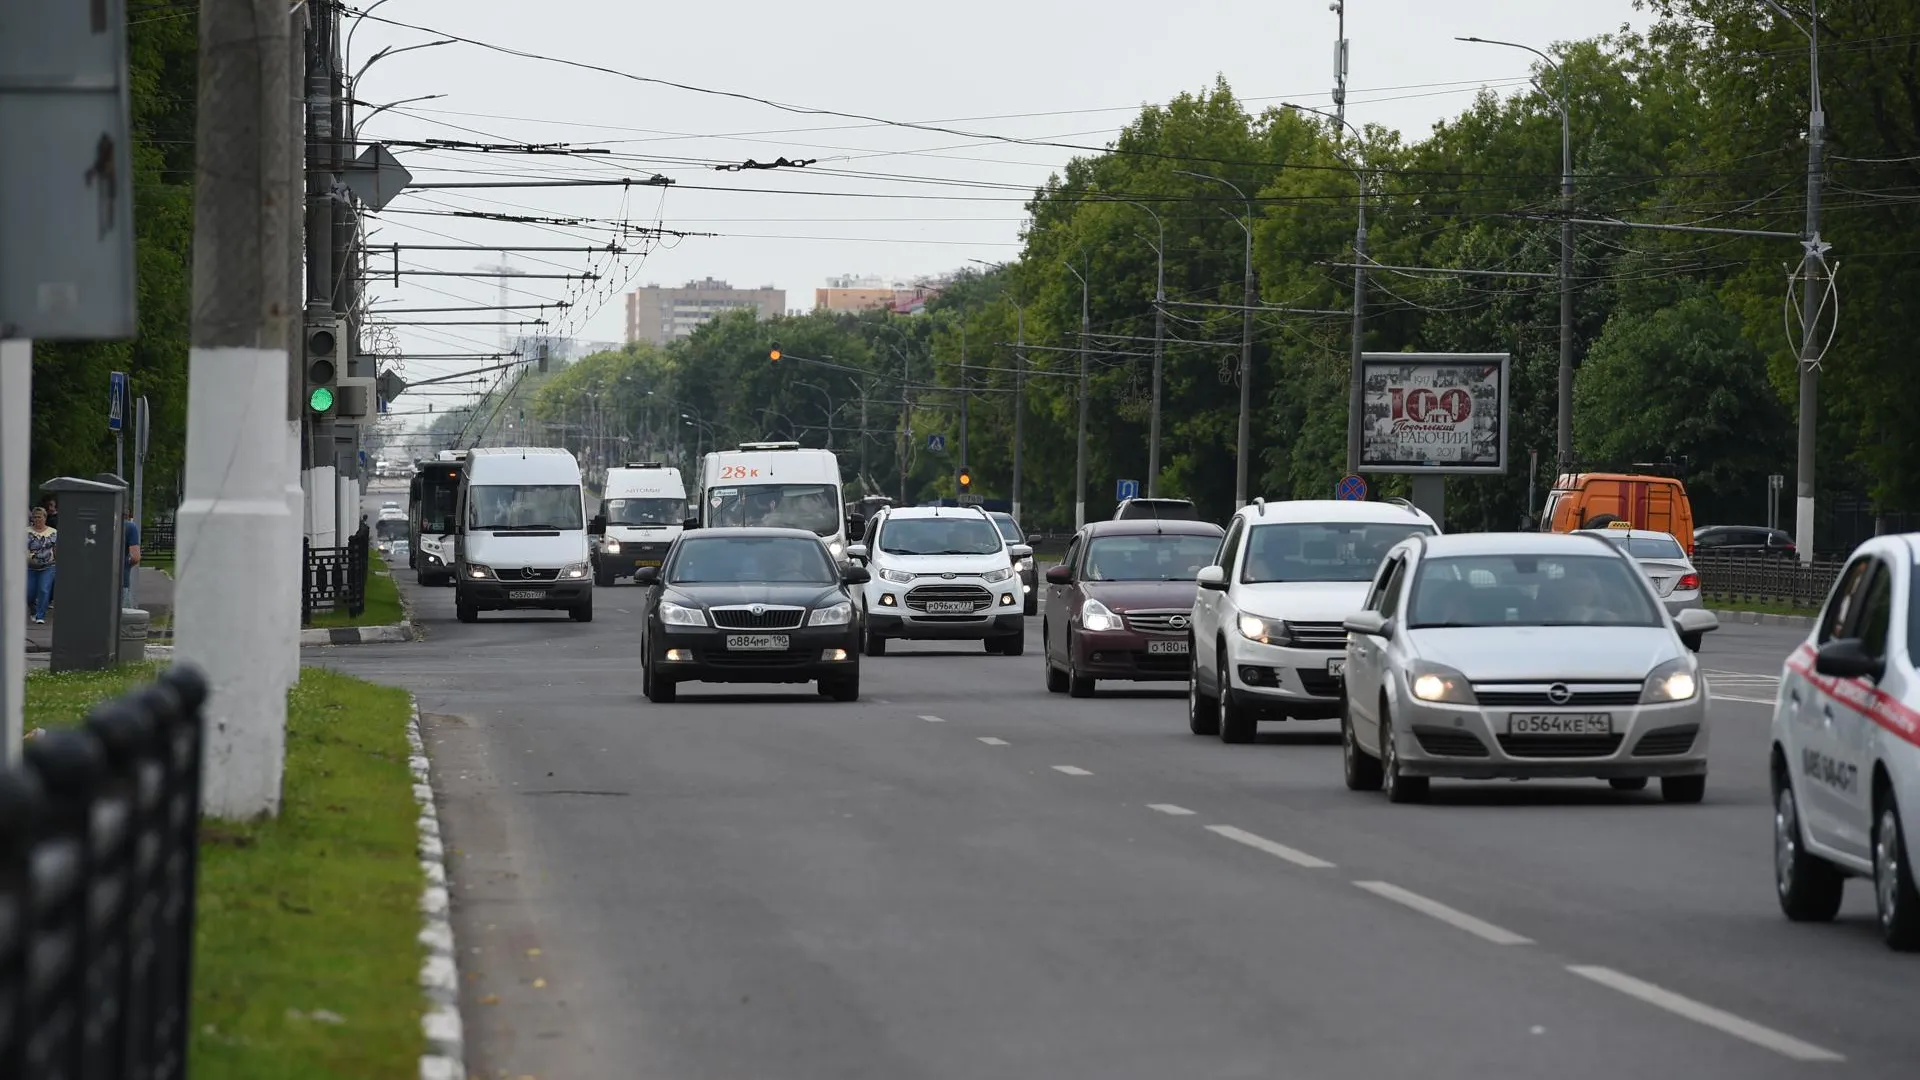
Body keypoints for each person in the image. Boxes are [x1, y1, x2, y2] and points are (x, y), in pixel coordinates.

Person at [27, 506, 56, 624]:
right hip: (29, 567)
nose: (37, 519)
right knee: (29, 593)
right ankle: (33, 610)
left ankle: (40, 615)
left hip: (48, 566)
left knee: (44, 590)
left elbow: (56, 549)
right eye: (35, 517)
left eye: (39, 517)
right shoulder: (26, 532)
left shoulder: (53, 532)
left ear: (45, 518)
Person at [122, 508, 141, 609]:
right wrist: (126, 564)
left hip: (98, 582)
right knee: (124, 620)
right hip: (121, 579)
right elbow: (135, 557)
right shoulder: (130, 527)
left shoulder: (101, 525)